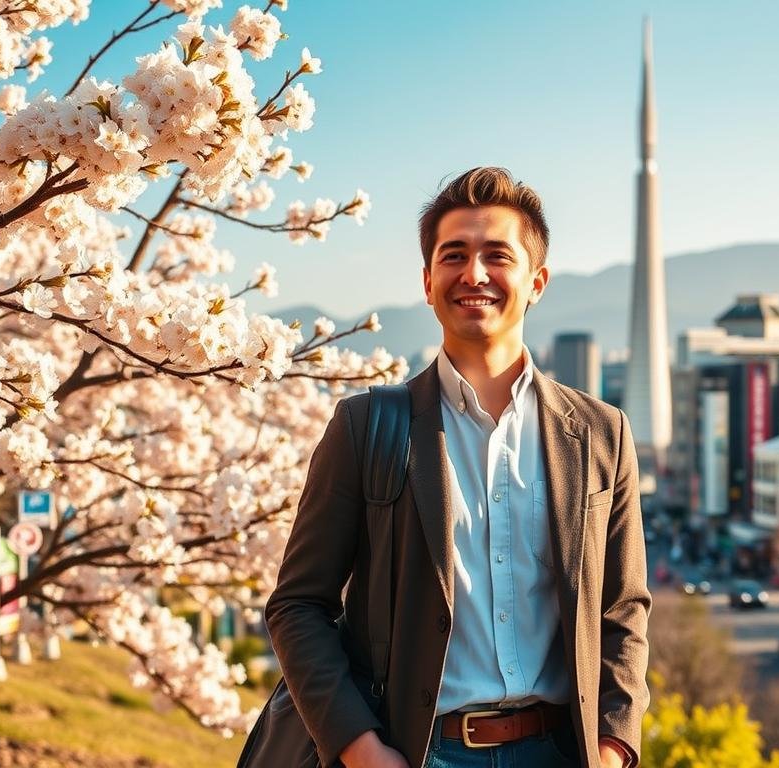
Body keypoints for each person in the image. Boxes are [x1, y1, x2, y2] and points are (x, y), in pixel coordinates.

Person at [265, 167, 651, 768]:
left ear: (537, 281)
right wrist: (362, 752)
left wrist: (612, 746)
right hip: (419, 751)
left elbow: (622, 608)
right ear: (427, 281)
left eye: (497, 255)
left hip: (562, 752)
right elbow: (298, 605)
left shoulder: (600, 434)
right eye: (454, 256)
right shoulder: (366, 427)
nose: (474, 274)